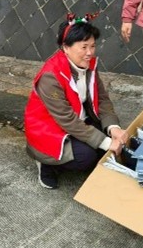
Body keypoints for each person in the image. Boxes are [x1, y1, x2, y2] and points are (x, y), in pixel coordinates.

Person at [24, 14, 129, 189]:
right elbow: (67, 120)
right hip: (50, 130)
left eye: (93, 46)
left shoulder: (89, 65)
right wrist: (106, 142)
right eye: (84, 47)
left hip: (77, 120)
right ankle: (46, 163)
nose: (90, 53)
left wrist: (113, 128)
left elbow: (102, 99)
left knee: (110, 141)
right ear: (66, 47)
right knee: (87, 157)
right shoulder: (51, 76)